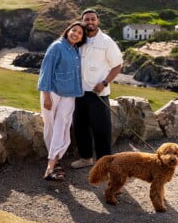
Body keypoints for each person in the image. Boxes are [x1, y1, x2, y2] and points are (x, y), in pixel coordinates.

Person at [70, 9, 123, 169]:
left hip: (98, 93)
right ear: (82, 21)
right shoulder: (79, 40)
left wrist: (104, 83)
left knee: (102, 129)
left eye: (93, 19)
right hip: (79, 92)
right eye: (87, 19)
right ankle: (86, 158)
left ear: (97, 21)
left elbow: (117, 65)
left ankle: (104, 164)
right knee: (80, 127)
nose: (90, 22)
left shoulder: (106, 41)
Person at [37, 21, 86, 181]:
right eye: (74, 30)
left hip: (70, 94)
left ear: (81, 38)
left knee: (63, 127)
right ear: (68, 31)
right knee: (51, 126)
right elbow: (46, 71)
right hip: (52, 92)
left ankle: (52, 164)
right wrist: (46, 95)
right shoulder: (56, 46)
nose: (76, 34)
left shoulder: (75, 51)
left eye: (80, 33)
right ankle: (54, 164)